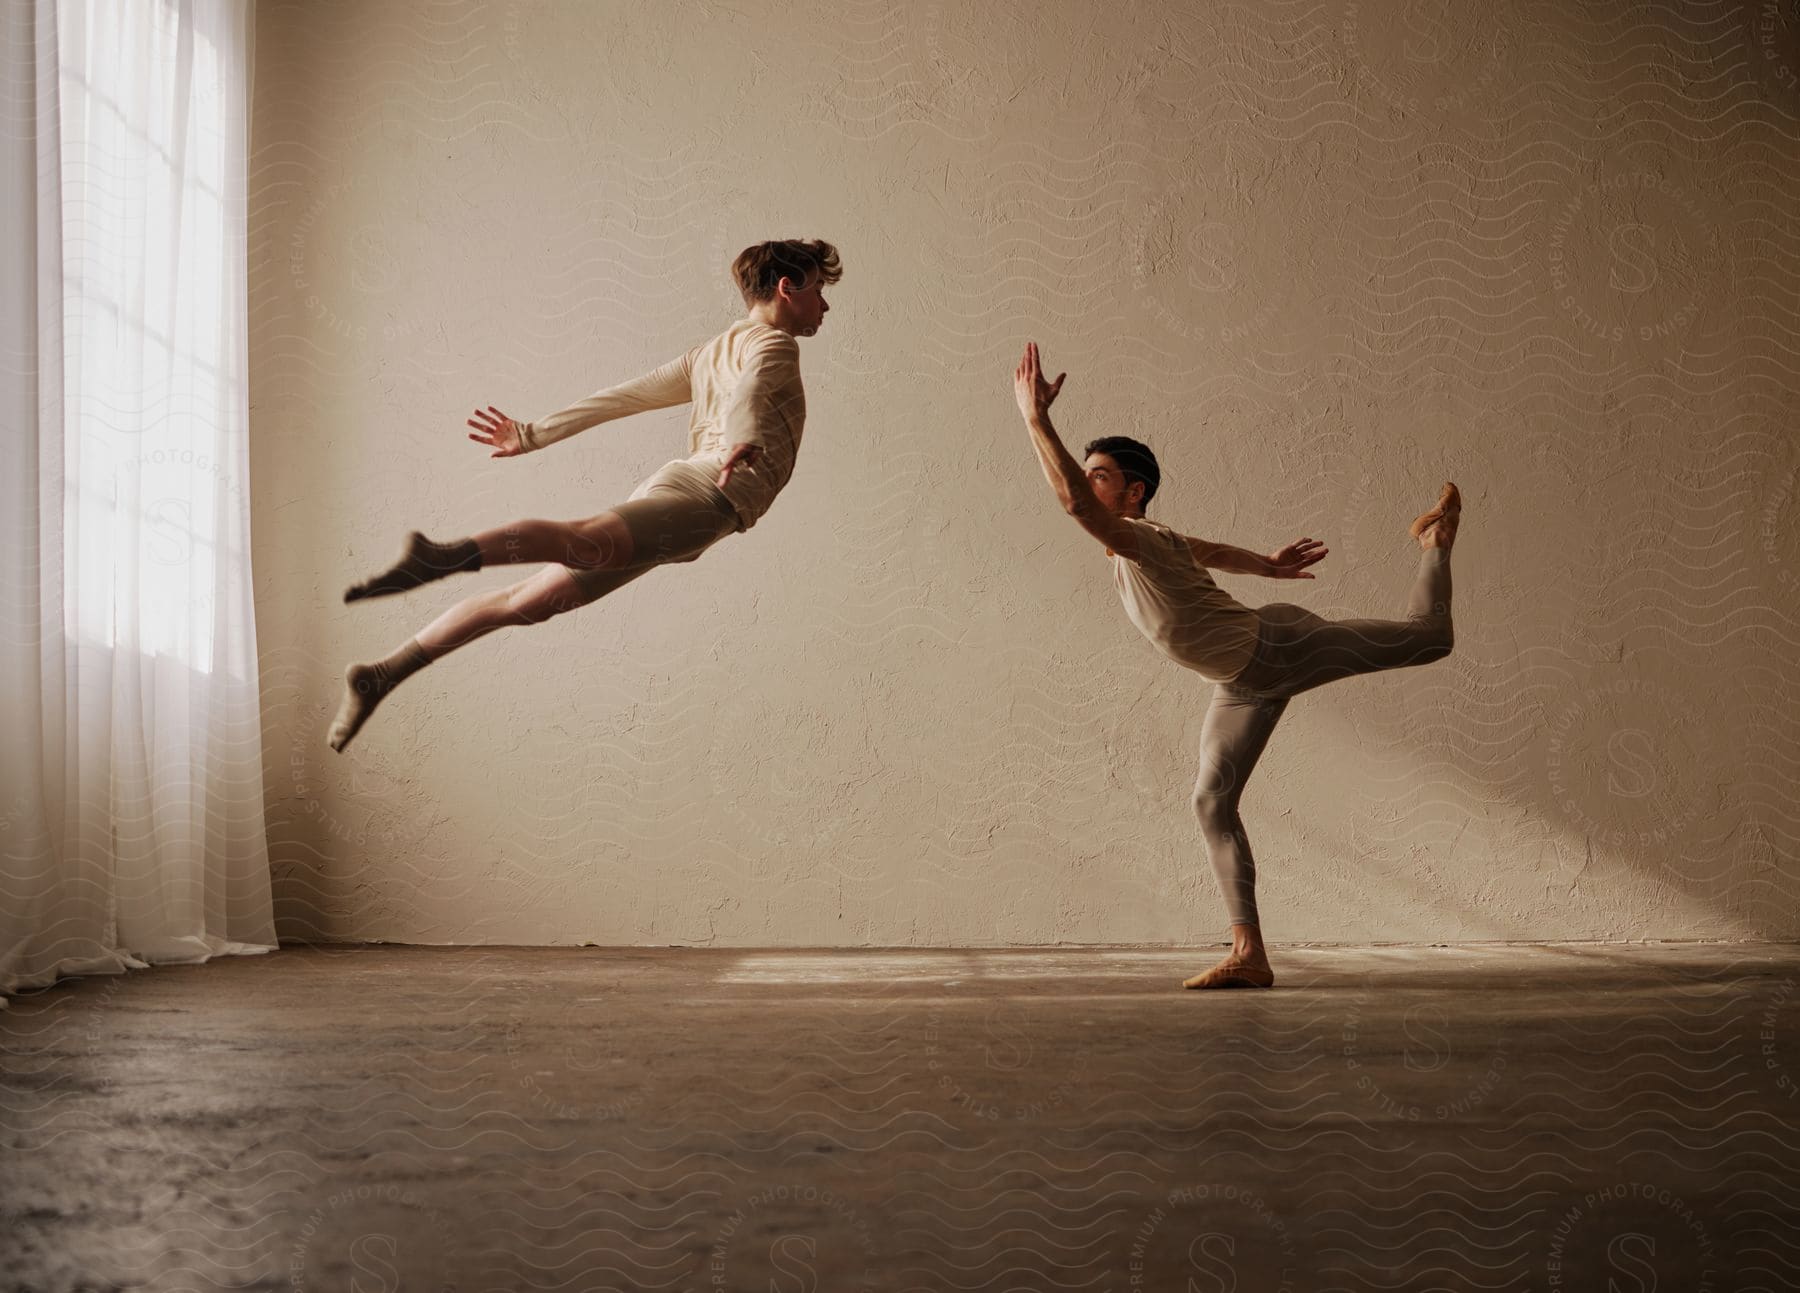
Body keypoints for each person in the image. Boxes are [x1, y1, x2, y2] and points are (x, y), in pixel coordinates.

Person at [1012, 341, 1460, 990]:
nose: (1087, 483)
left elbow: (1078, 508)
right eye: (1086, 473)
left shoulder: (1139, 539)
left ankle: (1433, 543)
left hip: (1280, 648)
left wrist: (1034, 419)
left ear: (1133, 492)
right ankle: (1249, 952)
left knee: (1431, 638)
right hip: (1241, 683)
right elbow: (1207, 548)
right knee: (1211, 803)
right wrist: (1266, 564)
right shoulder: (1146, 546)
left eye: (1099, 473)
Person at [326, 238, 840, 752]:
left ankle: (382, 674)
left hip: (685, 490)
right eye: (819, 290)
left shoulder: (711, 352)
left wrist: (533, 434)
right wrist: (743, 435)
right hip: (708, 496)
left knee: (530, 603)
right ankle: (449, 555)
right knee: (587, 541)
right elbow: (751, 390)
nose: (825, 305)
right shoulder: (774, 343)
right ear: (786, 287)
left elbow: (626, 396)